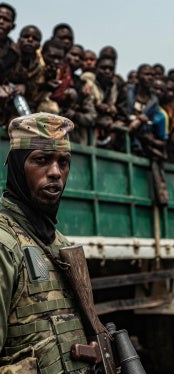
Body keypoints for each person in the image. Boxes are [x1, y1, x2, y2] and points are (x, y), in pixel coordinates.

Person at [0, 112, 91, 373]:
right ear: (18, 166)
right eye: (41, 160)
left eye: (63, 162)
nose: (55, 172)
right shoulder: (5, 244)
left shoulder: (60, 243)